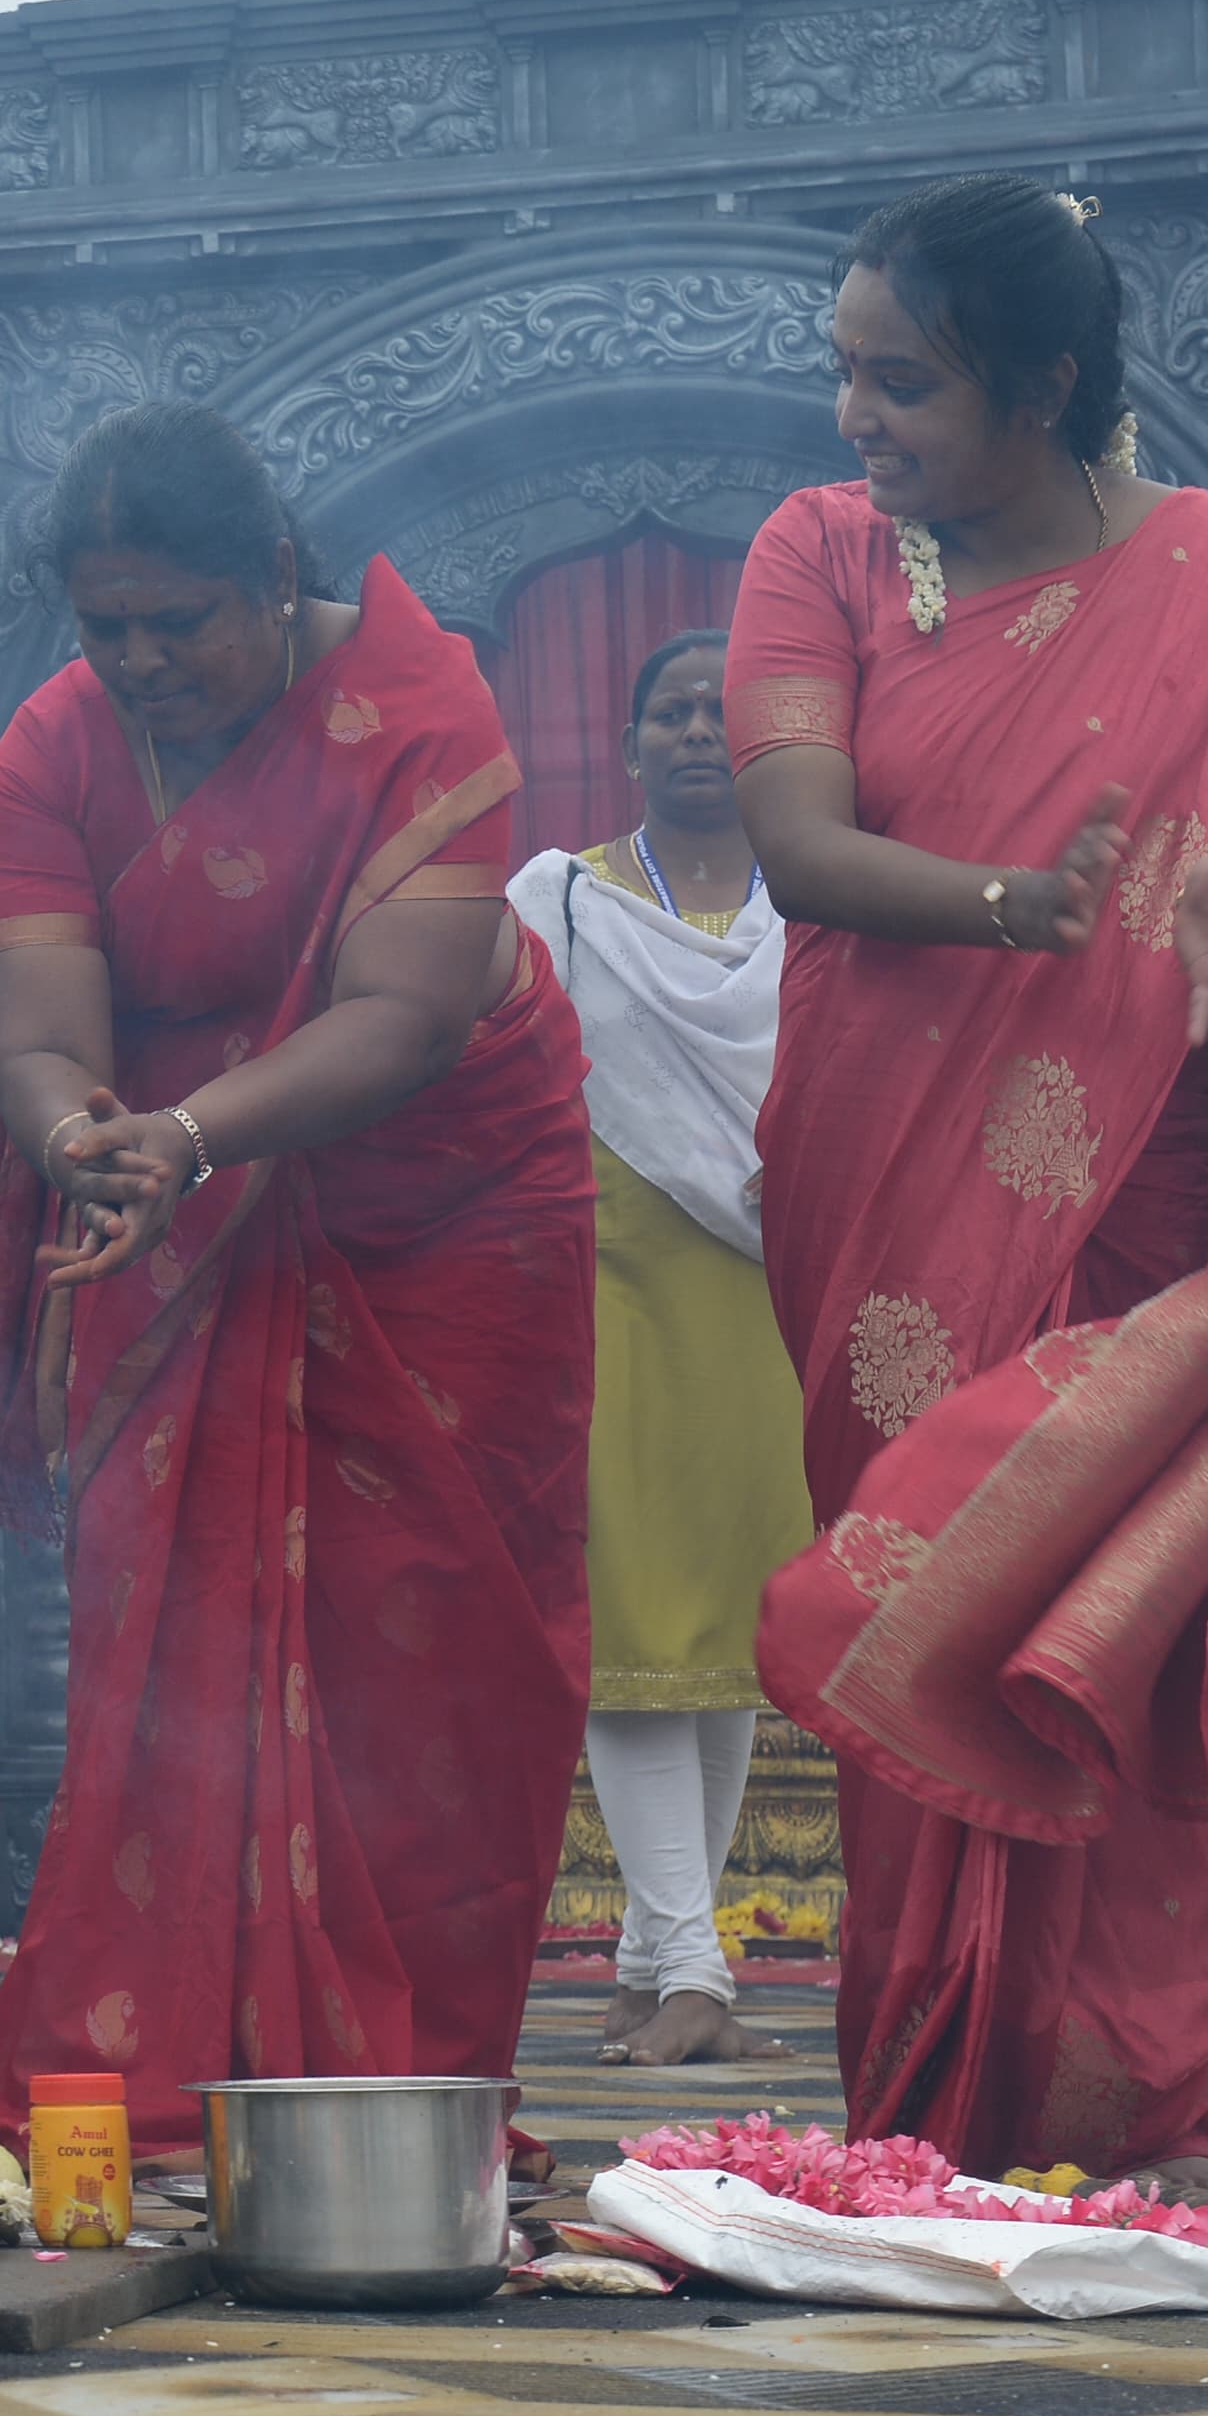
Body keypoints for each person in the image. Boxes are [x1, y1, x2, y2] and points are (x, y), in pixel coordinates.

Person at [731, 176, 1208, 2183]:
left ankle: (1143, 2120)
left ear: (1043, 387)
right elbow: (796, 842)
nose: (860, 420)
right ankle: (928, 2115)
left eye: (911, 384)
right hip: (889, 1196)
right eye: (848, 374)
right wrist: (1017, 910)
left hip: (1155, 1194)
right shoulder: (821, 558)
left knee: (1138, 1637)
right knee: (931, 1609)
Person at [0, 401, 594, 2158]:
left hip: (446, 1205)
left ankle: (418, 2082)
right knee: (171, 1637)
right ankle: (161, 2068)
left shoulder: (415, 700)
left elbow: (409, 1008)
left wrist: (190, 1137)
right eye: (106, 626)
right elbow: (41, 1029)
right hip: (171, 1195)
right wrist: (88, 1139)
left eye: (179, 620)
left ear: (277, 576)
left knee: (443, 1642)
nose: (139, 661)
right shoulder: (52, 749)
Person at [505, 631, 813, 2070]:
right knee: (637, 1623)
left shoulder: (816, 909)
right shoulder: (560, 901)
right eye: (670, 713)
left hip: (771, 1286)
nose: (697, 733)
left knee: (729, 1627)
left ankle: (650, 1964)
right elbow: (490, 1076)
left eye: (723, 714)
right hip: (606, 1283)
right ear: (628, 745)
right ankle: (695, 1966)